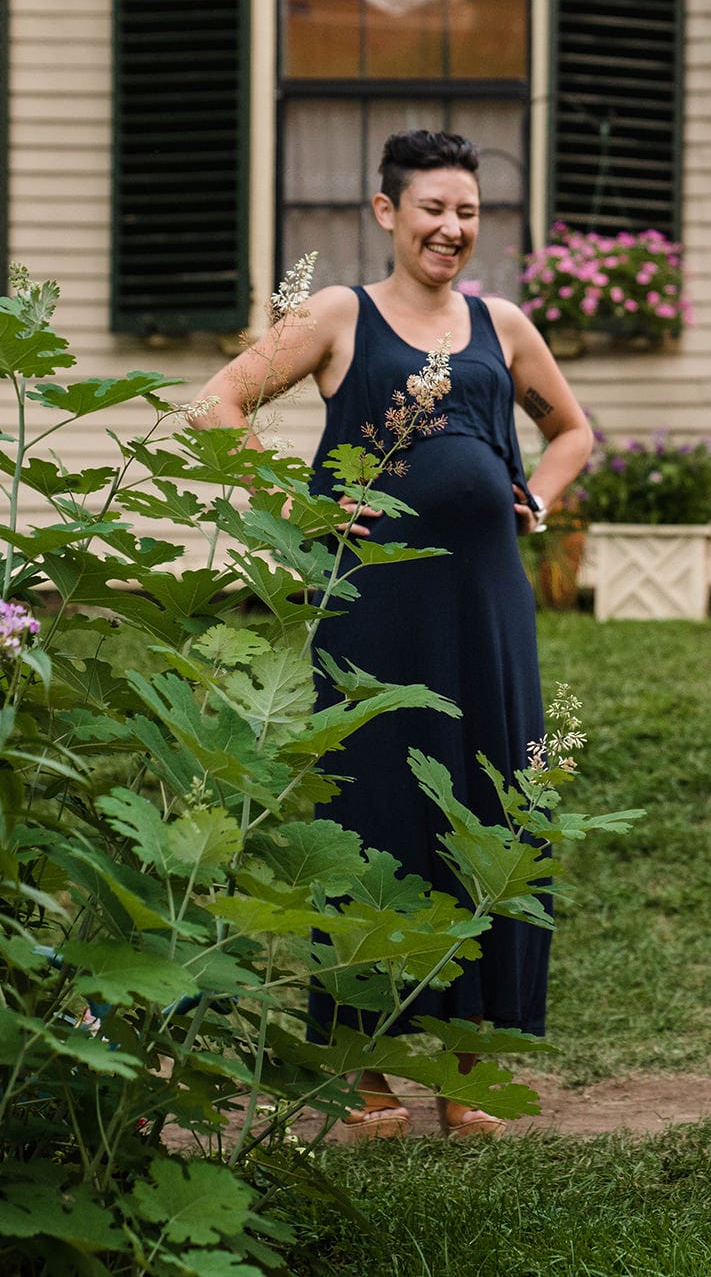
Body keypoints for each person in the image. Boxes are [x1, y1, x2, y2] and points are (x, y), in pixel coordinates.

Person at [191, 130, 592, 1140]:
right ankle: (361, 1077)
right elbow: (218, 403)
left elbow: (574, 430)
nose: (450, 229)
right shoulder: (339, 316)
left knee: (486, 802)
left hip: (488, 607)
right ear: (386, 212)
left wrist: (535, 500)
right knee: (373, 812)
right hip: (372, 609)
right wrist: (294, 513)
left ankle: (467, 1069)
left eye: (467, 212)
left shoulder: (502, 325)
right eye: (432, 210)